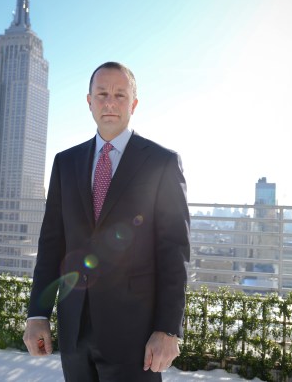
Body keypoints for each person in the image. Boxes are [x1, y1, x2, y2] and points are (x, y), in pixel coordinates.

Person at [23, 61, 191, 382]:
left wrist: (168, 329)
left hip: (135, 335)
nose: (110, 102)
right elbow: (51, 246)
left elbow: (174, 254)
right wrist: (38, 314)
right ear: (89, 101)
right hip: (74, 330)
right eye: (101, 94)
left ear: (134, 104)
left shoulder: (162, 163)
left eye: (119, 94)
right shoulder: (65, 162)